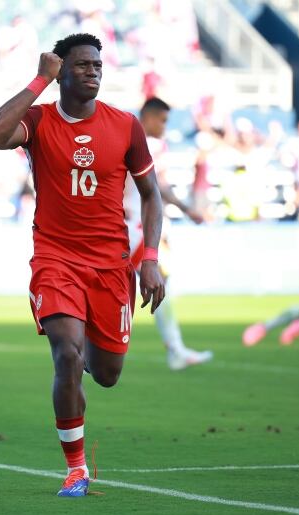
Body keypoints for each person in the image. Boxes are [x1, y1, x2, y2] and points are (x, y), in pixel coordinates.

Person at [0, 33, 165, 498]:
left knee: (105, 375)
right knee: (66, 355)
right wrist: (39, 79)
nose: (93, 72)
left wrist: (150, 260)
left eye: (98, 66)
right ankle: (76, 469)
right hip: (55, 259)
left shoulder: (125, 126)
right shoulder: (40, 121)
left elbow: (152, 197)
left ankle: (84, 351)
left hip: (110, 267)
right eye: (82, 65)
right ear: (62, 72)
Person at [124, 97, 212, 370]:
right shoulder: (138, 142)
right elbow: (157, 188)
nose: (164, 126)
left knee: (154, 284)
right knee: (156, 283)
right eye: (162, 120)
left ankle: (175, 348)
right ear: (148, 117)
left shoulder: (125, 138)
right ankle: (175, 349)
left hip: (128, 226)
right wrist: (188, 208)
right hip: (131, 230)